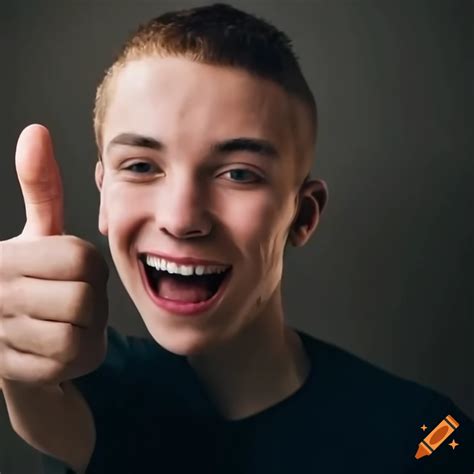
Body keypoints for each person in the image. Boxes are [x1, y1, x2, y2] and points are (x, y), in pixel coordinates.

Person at [0, 3, 472, 474]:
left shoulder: (424, 435)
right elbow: (43, 402)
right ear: (104, 196)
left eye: (239, 174)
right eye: (141, 166)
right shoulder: (93, 387)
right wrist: (19, 368)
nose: (181, 218)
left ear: (302, 215)